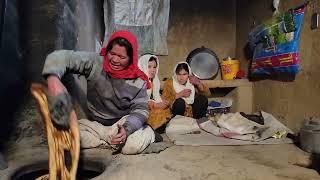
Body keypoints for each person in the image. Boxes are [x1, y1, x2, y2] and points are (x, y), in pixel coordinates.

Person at [42, 30, 160, 154]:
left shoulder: (139, 81)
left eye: (122, 57)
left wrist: (126, 130)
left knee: (131, 147)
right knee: (63, 138)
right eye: (112, 53)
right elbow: (59, 57)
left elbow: (141, 110)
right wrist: (53, 78)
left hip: (122, 124)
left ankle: (148, 133)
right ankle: (108, 142)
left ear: (131, 58)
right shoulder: (96, 63)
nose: (114, 60)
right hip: (96, 125)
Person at [138, 54, 171, 130]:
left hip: (150, 105)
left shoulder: (154, 80)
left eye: (154, 67)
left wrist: (163, 102)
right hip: (139, 109)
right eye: (149, 67)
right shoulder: (138, 81)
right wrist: (155, 105)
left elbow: (155, 95)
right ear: (143, 66)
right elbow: (139, 101)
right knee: (157, 113)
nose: (153, 70)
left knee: (165, 110)